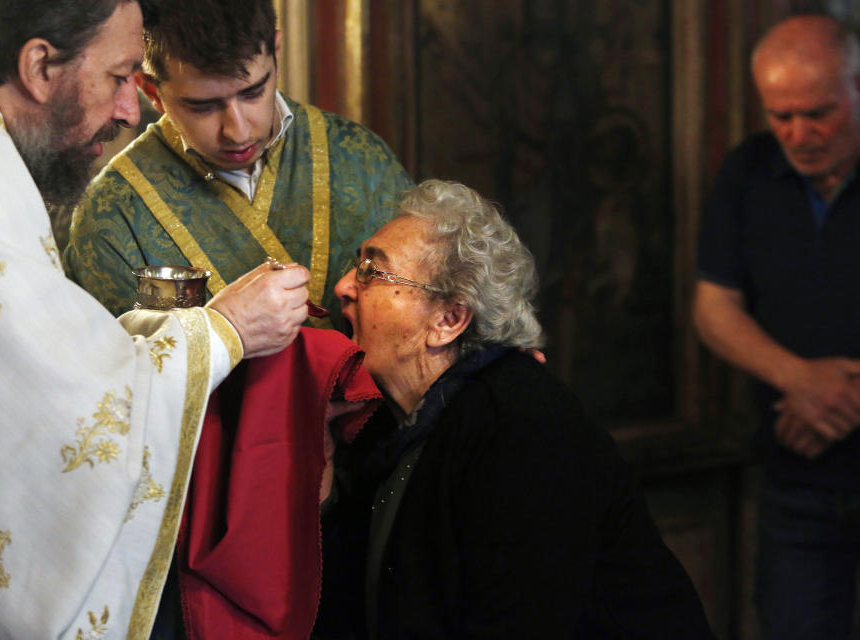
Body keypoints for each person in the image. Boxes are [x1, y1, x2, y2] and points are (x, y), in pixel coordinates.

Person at [0, 0, 310, 636]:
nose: (130, 110)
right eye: (120, 77)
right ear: (39, 65)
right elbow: (61, 415)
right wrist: (222, 332)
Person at [316, 179, 714, 639]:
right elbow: (353, 607)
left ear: (447, 321)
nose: (344, 286)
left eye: (372, 272)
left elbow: (520, 622)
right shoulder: (392, 421)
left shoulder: (520, 424)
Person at [62, 0, 413, 329]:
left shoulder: (362, 159)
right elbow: (123, 378)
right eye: (203, 107)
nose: (238, 131)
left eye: (252, 93)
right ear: (152, 92)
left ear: (276, 53)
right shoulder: (111, 215)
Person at [694, 14, 860, 640]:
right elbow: (714, 308)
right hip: (797, 467)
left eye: (818, 113)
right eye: (781, 115)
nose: (799, 133)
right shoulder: (749, 170)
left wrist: (844, 397)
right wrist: (801, 379)